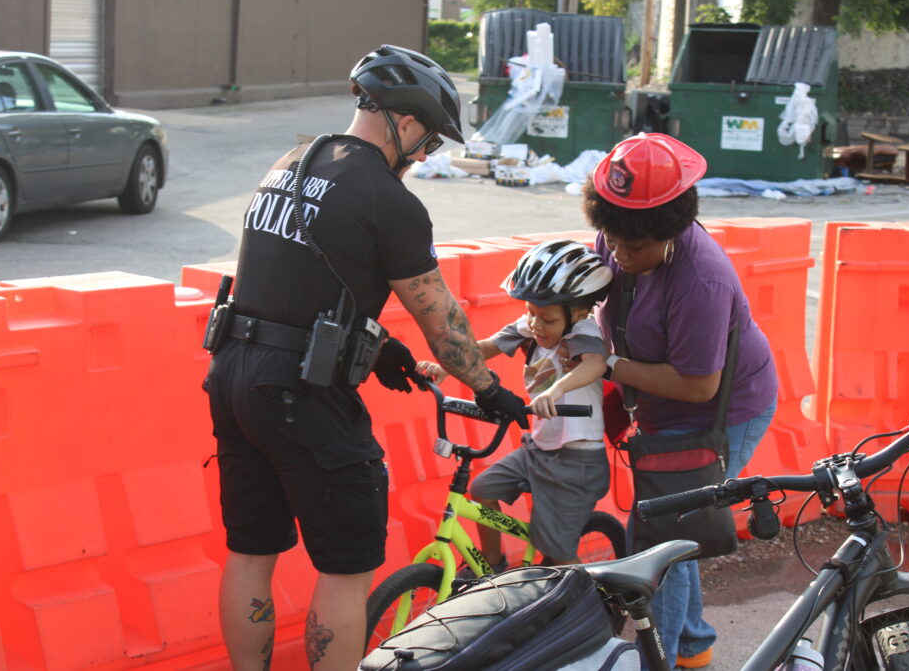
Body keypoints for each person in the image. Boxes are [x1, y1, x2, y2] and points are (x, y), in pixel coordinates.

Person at [203, 44, 529, 671]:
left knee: (250, 551)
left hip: (233, 375)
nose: (427, 156)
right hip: (300, 395)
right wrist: (489, 389)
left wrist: (376, 343)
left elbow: (295, 283)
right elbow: (446, 324)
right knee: (347, 568)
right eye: (430, 142)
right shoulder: (389, 200)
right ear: (406, 122)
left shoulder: (290, 162)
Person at [581, 133, 779, 669]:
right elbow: (585, 295)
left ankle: (658, 659)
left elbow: (699, 386)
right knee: (677, 525)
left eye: (632, 247)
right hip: (662, 409)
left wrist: (612, 367)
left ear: (668, 230)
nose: (618, 255)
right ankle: (693, 646)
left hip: (723, 411)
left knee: (660, 541)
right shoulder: (620, 235)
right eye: (610, 237)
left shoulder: (702, 278)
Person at [417, 239, 614, 568]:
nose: (536, 325)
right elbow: (488, 346)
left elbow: (595, 363)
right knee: (482, 488)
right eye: (531, 313)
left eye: (547, 319)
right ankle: (492, 565)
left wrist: (555, 391)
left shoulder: (582, 333)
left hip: (575, 464)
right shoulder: (534, 326)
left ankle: (592, 609)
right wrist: (446, 367)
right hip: (538, 450)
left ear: (578, 312)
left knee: (556, 554)